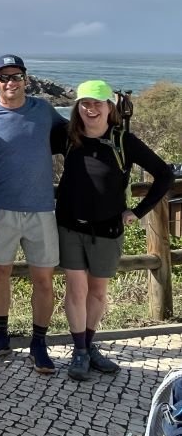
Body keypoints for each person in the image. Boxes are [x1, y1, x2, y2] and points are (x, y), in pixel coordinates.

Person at [55, 80, 173, 381]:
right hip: (69, 226)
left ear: (110, 107)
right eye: (85, 103)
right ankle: (80, 350)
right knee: (76, 289)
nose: (90, 109)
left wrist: (137, 212)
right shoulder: (67, 136)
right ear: (77, 107)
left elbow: (164, 175)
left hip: (107, 229)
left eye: (98, 103)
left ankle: (88, 344)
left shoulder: (124, 141)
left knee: (97, 291)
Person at [0, 54, 67, 374]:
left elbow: (76, 136)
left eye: (17, 76)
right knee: (0, 274)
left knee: (44, 279)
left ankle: (39, 343)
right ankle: (1, 336)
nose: (11, 82)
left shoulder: (43, 110)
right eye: (4, 77)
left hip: (41, 209)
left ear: (26, 79)